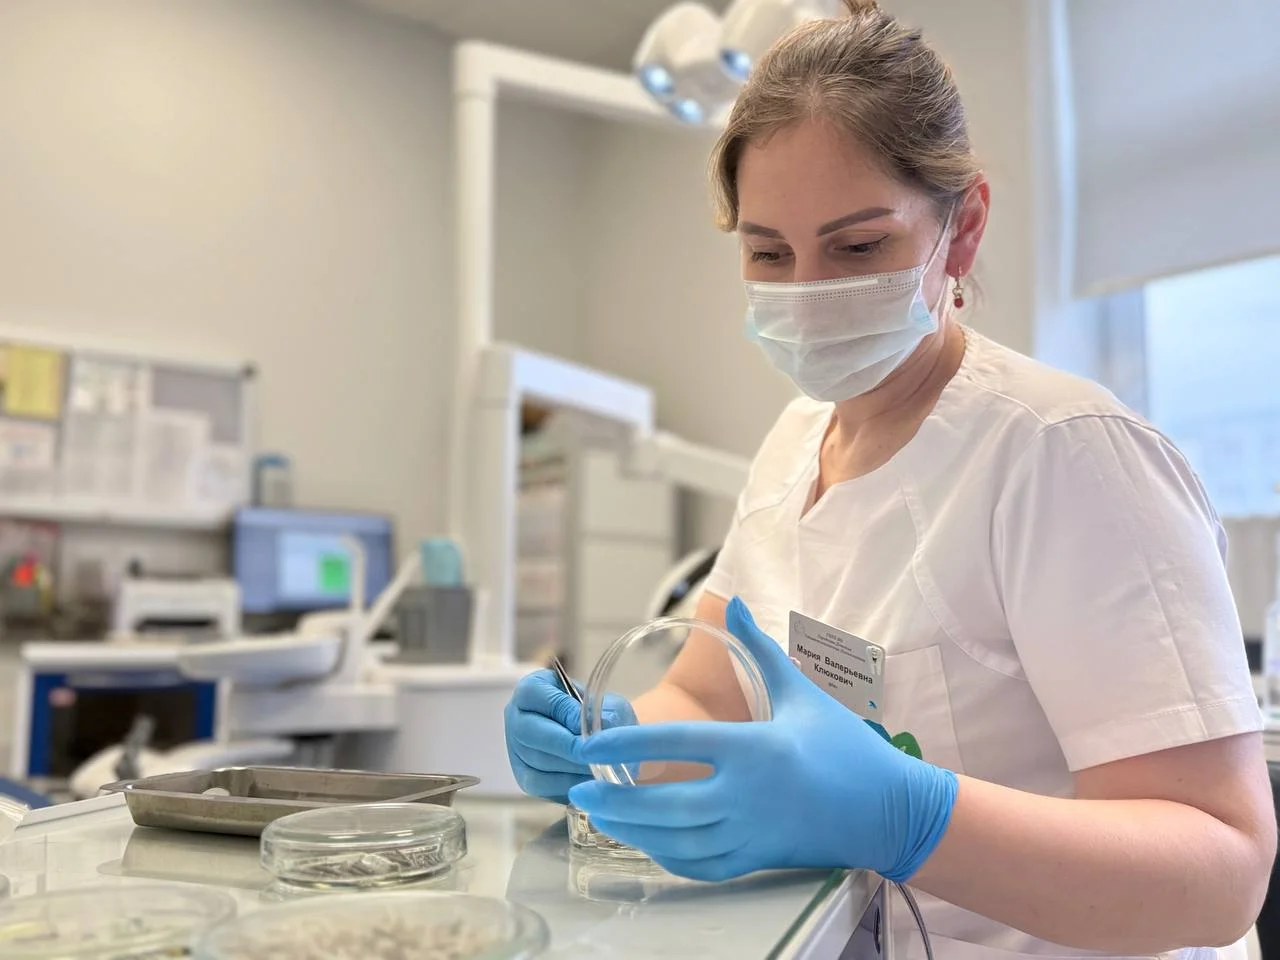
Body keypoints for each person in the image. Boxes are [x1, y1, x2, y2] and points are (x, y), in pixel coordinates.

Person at [504, 1, 1276, 956]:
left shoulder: (1062, 453)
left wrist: (911, 818)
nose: (807, 293)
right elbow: (706, 698)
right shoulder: (794, 444)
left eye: (859, 246)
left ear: (963, 229)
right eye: (768, 252)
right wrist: (609, 741)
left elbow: (1219, 872)